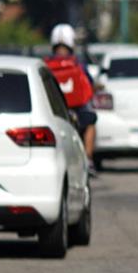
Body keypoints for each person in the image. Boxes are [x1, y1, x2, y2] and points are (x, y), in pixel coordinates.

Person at [44, 23, 98, 176]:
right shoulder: (77, 64)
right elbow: (88, 84)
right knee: (90, 121)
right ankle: (88, 159)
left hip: (54, 110)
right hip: (77, 107)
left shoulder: (46, 64)